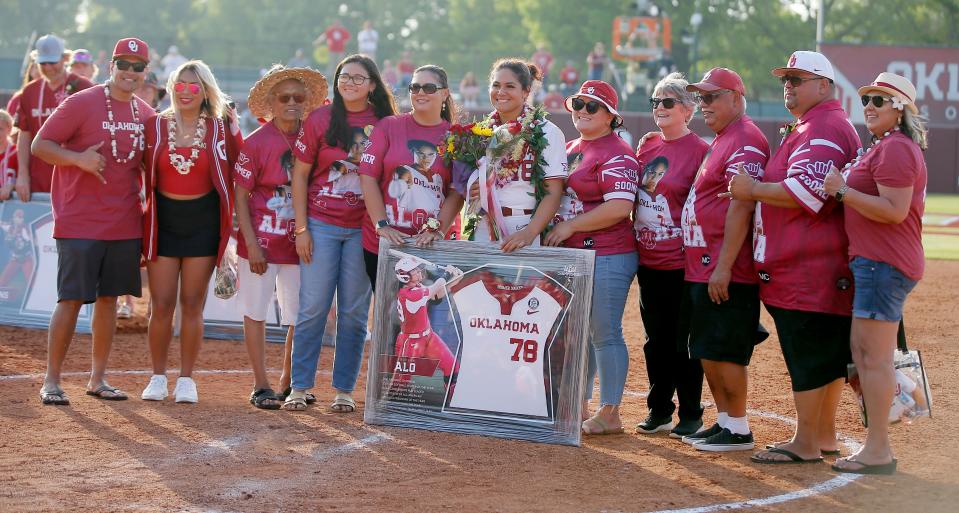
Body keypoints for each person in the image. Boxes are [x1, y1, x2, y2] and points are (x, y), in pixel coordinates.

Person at [724, 52, 861, 463]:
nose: (789, 84)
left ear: (824, 86)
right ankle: (823, 435)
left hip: (809, 266)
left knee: (808, 355)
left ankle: (805, 441)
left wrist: (750, 189)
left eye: (798, 78)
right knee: (824, 356)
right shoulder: (814, 124)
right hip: (814, 264)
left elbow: (806, 192)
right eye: (786, 78)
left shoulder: (824, 126)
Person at [30, 37, 155, 405]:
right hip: (79, 220)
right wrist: (78, 159)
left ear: (144, 71)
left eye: (137, 66)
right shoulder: (81, 102)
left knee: (108, 300)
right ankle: (51, 380)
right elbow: (41, 145)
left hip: (124, 223)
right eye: (124, 64)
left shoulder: (145, 113)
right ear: (111, 64)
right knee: (70, 299)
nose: (129, 72)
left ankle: (97, 379)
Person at [823, 72, 928, 475]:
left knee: (873, 358)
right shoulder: (886, 146)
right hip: (874, 263)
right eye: (867, 98)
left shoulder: (897, 148)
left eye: (879, 100)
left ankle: (879, 449)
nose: (868, 105)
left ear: (899, 108)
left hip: (883, 264)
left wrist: (843, 191)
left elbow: (894, 210)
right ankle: (898, 416)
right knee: (866, 354)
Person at [284, 55, 397, 411]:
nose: (349, 83)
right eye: (344, 77)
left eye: (358, 78)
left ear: (373, 85)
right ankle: (299, 387)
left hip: (363, 228)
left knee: (353, 311)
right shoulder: (320, 117)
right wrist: (302, 228)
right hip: (321, 224)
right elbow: (299, 175)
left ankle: (344, 390)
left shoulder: (385, 123)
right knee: (313, 307)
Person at [140, 60, 240, 404]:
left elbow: (242, 166)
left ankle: (186, 379)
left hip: (204, 221)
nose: (185, 91)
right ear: (170, 87)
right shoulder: (154, 125)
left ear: (205, 90)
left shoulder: (221, 127)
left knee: (193, 303)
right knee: (162, 303)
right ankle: (156, 376)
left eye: (193, 85)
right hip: (163, 221)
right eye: (180, 84)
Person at [679, 68, 769, 451]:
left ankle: (739, 428)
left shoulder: (745, 138)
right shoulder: (723, 139)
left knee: (724, 349)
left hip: (724, 267)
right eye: (700, 98)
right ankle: (725, 421)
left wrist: (725, 267)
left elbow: (742, 204)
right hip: (704, 264)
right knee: (707, 350)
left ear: (736, 97)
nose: (704, 105)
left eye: (712, 97)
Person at [545, 80, 639, 435]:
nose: (582, 112)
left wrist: (570, 227)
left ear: (611, 116)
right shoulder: (570, 148)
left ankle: (611, 412)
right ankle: (577, 404)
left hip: (608, 254)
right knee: (578, 333)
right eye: (578, 104)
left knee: (604, 333)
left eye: (592, 107)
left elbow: (619, 207)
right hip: (574, 256)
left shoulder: (618, 153)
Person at [234, 65, 327, 409]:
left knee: (299, 314)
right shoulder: (255, 143)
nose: (292, 103)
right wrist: (252, 244)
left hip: (300, 245)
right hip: (260, 244)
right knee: (256, 311)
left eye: (298, 97)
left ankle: (290, 383)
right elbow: (240, 197)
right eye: (284, 97)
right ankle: (261, 385)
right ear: (271, 102)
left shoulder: (314, 139)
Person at [632, 73, 708, 439]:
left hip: (683, 264)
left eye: (667, 102)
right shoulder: (646, 147)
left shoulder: (701, 151)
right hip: (648, 261)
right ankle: (659, 408)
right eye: (655, 101)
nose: (659, 108)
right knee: (654, 340)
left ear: (687, 109)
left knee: (683, 342)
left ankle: (691, 412)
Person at [359, 64, 462, 286]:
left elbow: (457, 192)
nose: (420, 93)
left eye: (428, 87)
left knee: (424, 316)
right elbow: (367, 177)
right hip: (385, 242)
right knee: (385, 315)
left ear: (445, 93)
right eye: (414, 87)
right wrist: (381, 224)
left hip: (430, 245)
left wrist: (437, 230)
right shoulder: (388, 126)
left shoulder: (456, 136)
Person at [466, 59, 566, 251]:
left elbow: (553, 193)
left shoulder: (546, 131)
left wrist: (529, 233)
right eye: (496, 85)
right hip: (483, 226)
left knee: (520, 282)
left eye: (509, 86)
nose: (501, 92)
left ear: (526, 91)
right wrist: (471, 188)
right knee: (482, 282)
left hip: (524, 226)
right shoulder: (481, 132)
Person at [16, 34, 94, 201]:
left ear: (65, 58)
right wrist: (22, 174)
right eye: (43, 62)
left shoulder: (84, 87)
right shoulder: (29, 92)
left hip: (74, 181)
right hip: (38, 182)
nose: (48, 67)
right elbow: (24, 135)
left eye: (52, 61)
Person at [0, 110, 17, 200]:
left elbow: (23, 178)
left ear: (9, 129)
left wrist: (11, 185)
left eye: (0, 129)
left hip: (11, 206)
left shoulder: (16, 152)